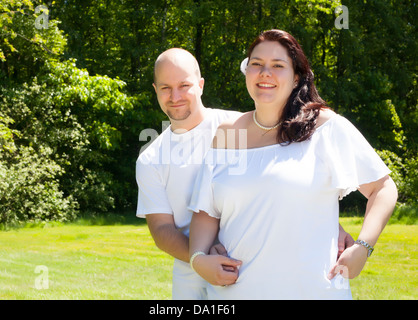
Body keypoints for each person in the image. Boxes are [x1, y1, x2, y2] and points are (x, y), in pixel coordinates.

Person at [188, 29, 398, 300]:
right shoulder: (228, 133)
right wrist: (197, 259)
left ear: (296, 76)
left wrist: (363, 247)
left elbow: (383, 188)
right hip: (234, 293)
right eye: (256, 64)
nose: (265, 73)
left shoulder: (325, 126)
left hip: (313, 292)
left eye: (278, 65)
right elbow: (206, 211)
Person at [136, 47, 355, 300]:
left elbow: (284, 180)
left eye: (184, 85)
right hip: (191, 281)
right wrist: (202, 258)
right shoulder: (151, 159)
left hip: (253, 273)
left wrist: (332, 227)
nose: (175, 96)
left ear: (201, 85)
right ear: (155, 90)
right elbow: (162, 230)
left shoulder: (237, 127)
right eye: (165, 88)